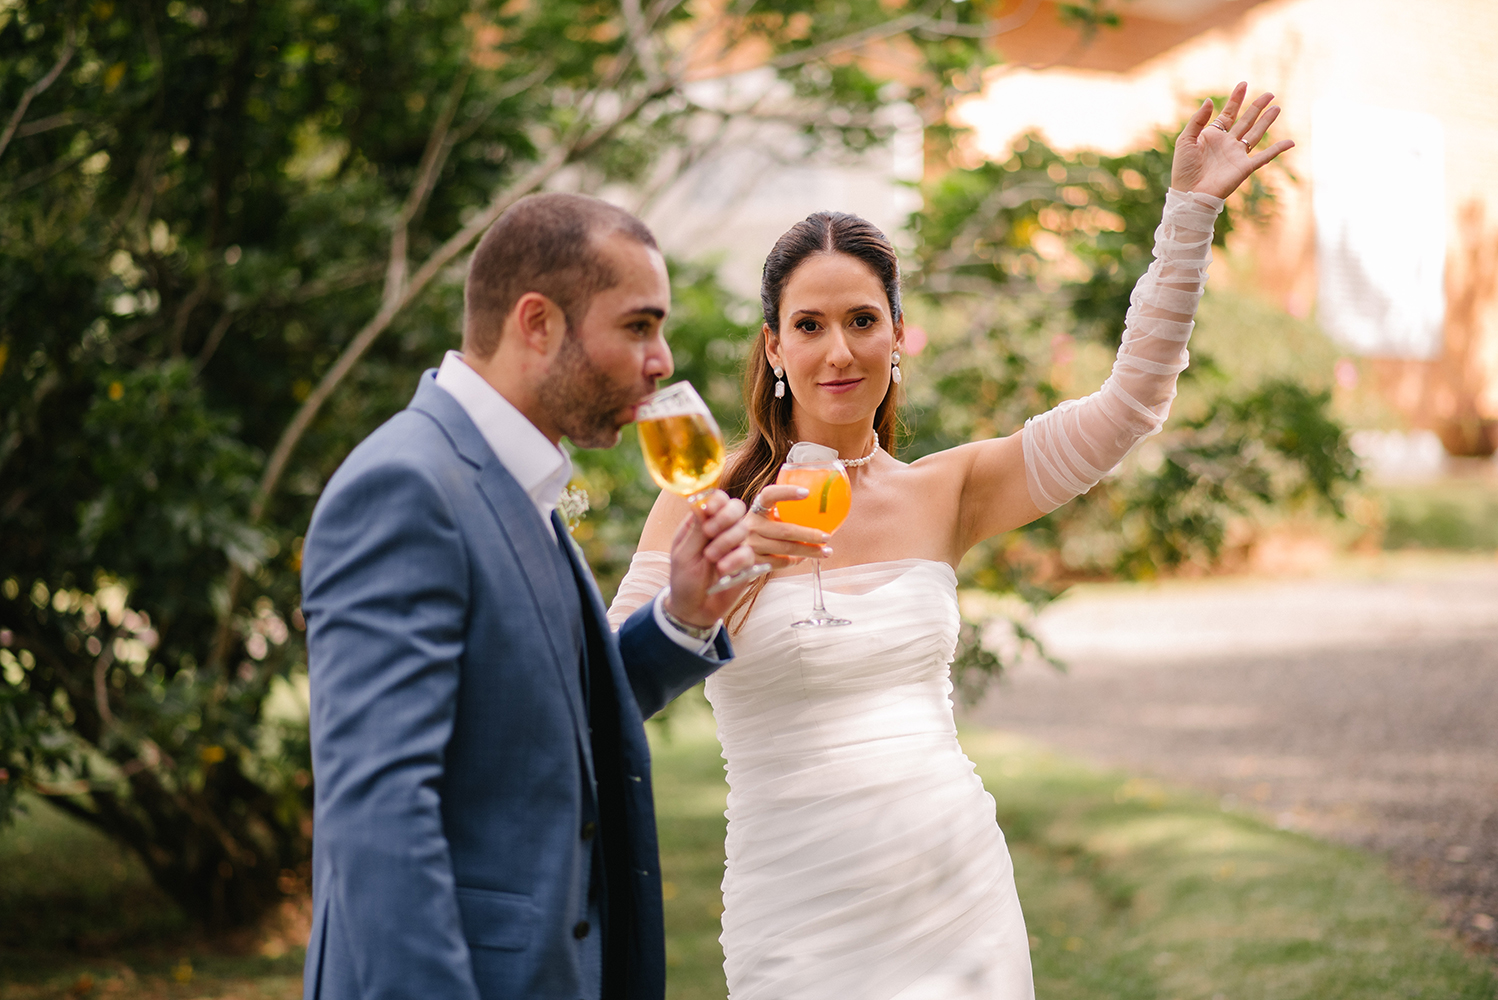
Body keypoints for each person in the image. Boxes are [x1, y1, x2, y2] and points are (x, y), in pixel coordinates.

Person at [607, 84, 1294, 999]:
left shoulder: (950, 489)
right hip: (793, 907)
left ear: (898, 336)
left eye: (862, 321)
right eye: (809, 326)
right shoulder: (701, 508)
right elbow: (607, 693)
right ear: (773, 348)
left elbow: (1130, 405)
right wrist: (716, 593)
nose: (838, 353)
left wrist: (1190, 214)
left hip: (954, 896)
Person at [299, 192, 758, 1000]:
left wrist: (684, 614)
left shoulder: (513, 477)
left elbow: (550, 711)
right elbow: (379, 823)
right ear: (537, 323)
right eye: (639, 326)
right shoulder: (408, 487)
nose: (662, 360)